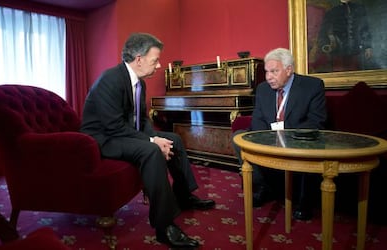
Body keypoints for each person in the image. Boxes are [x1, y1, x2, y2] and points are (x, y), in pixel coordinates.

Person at [80, 32, 215, 248]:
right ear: (139, 59)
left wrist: (155, 136)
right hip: (103, 138)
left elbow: (141, 119)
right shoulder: (110, 80)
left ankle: (184, 196)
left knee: (174, 140)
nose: (159, 65)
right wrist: (152, 142)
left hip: (123, 132)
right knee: (151, 151)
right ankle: (165, 227)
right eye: (155, 60)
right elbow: (114, 126)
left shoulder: (139, 83)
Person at [232, 48, 327, 220]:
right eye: (267, 71)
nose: (268, 77)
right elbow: (258, 119)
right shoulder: (262, 89)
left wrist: (285, 135)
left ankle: (303, 201)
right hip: (269, 136)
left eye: (274, 71)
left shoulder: (312, 86)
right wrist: (269, 137)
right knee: (238, 137)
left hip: (297, 139)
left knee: (310, 143)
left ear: (288, 69)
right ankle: (262, 187)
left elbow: (316, 122)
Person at [316, 0, 374, 72]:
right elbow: (324, 30)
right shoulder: (332, 10)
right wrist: (327, 44)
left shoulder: (360, 8)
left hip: (356, 49)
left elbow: (365, 28)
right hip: (338, 51)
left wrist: (368, 46)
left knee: (357, 73)